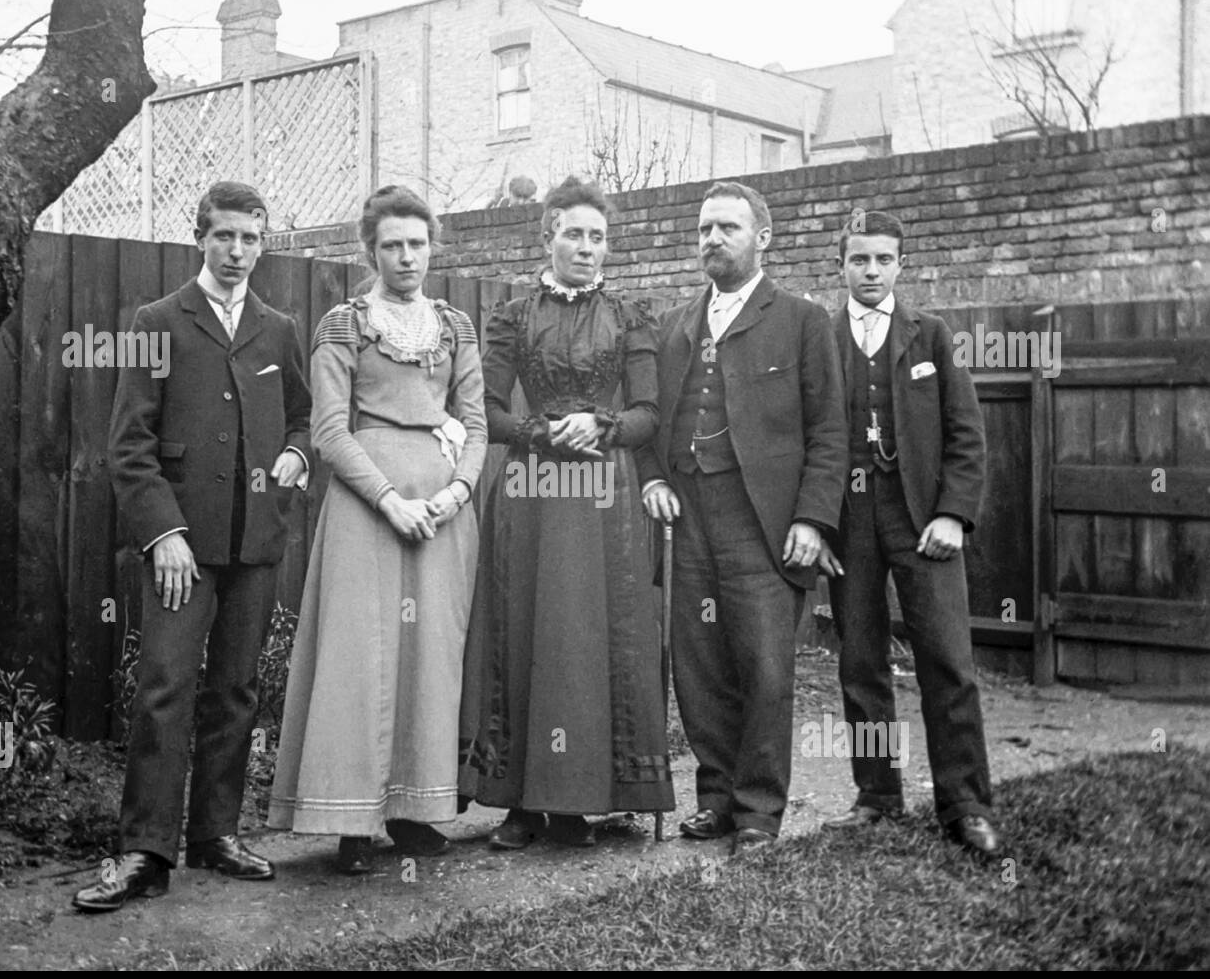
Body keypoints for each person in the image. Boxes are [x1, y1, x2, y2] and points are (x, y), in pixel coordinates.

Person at [75, 181, 311, 912]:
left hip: (255, 541)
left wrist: (298, 457)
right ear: (200, 238)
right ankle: (146, 849)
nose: (238, 251)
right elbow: (130, 447)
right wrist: (165, 534)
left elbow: (302, 418)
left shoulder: (278, 328)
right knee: (165, 688)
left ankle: (215, 833)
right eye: (225, 237)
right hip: (182, 545)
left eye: (251, 238)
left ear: (263, 242)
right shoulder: (158, 320)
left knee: (237, 690)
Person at [268, 185, 487, 875]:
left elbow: (475, 422)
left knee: (430, 657)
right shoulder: (343, 324)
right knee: (359, 658)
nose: (405, 257)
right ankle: (350, 820)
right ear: (370, 250)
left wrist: (456, 491)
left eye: (417, 243)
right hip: (369, 510)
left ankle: (414, 811)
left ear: (433, 247)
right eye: (391, 244)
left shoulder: (456, 326)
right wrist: (389, 499)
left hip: (444, 515)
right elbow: (330, 430)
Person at [459, 176, 674, 850]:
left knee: (587, 636)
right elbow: (484, 413)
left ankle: (582, 796)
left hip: (603, 494)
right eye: (574, 234)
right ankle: (522, 803)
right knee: (524, 630)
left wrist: (601, 423)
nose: (587, 248)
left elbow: (649, 414)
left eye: (597, 237)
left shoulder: (631, 315)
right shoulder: (512, 318)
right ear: (547, 236)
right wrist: (540, 431)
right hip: (529, 488)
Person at [638, 182, 847, 853]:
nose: (712, 239)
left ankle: (759, 809)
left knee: (764, 665)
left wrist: (813, 520)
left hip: (763, 518)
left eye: (728, 227)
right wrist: (651, 480)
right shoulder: (675, 325)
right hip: (690, 514)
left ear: (764, 237)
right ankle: (717, 797)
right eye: (704, 228)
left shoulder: (802, 320)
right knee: (698, 664)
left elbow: (830, 430)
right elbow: (647, 423)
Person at [818, 210, 999, 854]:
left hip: (921, 516)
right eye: (859, 259)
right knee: (861, 662)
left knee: (947, 659)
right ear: (839, 265)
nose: (871, 271)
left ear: (901, 264)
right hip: (849, 520)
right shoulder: (822, 337)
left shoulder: (931, 335)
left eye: (883, 260)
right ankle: (877, 795)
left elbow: (966, 435)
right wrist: (817, 525)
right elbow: (803, 440)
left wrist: (953, 513)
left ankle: (965, 803)